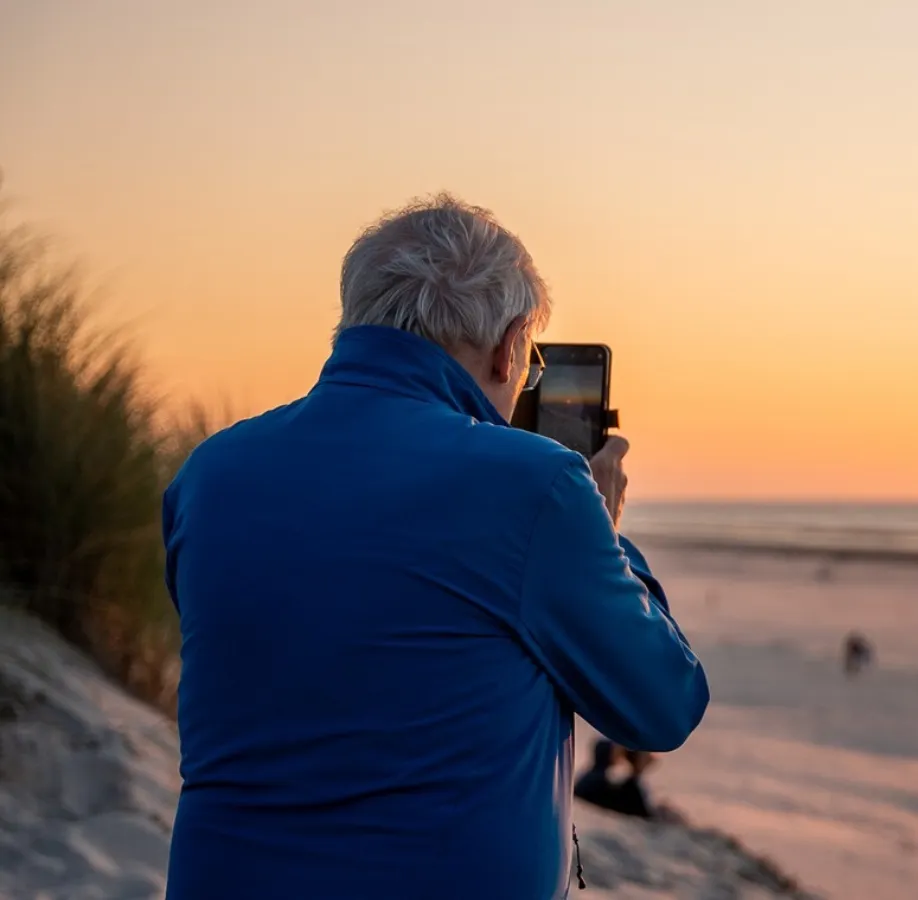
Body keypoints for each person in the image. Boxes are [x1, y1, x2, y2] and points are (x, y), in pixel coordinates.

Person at [162, 195, 709, 899]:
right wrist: (603, 534)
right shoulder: (535, 485)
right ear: (511, 347)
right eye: (529, 368)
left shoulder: (210, 472)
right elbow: (662, 705)